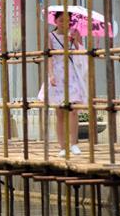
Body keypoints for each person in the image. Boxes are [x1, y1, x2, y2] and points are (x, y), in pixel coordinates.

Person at [38, 12, 88, 157]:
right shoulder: (50, 36)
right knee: (60, 112)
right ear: (55, 21)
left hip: (72, 73)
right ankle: (62, 146)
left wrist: (75, 40)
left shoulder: (73, 34)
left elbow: (80, 53)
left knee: (73, 110)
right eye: (61, 20)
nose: (64, 23)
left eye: (67, 20)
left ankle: (74, 143)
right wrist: (51, 75)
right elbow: (49, 57)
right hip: (58, 74)